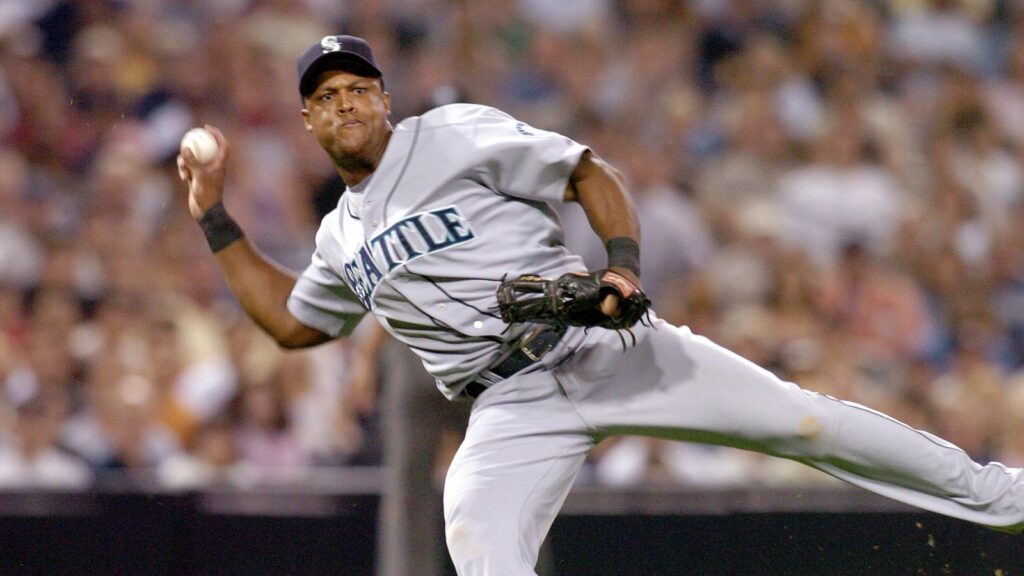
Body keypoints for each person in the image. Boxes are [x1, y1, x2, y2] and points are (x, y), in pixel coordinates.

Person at [177, 34, 1024, 575]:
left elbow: (589, 174)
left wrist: (620, 265)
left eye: (358, 85)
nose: (346, 102)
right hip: (505, 406)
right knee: (476, 535)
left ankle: (1002, 498)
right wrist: (213, 215)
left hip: (601, 346)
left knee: (802, 423)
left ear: (386, 98)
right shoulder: (337, 238)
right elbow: (292, 322)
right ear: (307, 122)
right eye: (326, 96)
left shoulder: (454, 134)